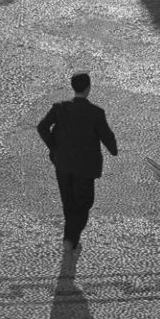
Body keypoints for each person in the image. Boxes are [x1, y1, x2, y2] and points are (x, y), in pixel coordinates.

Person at [36, 72, 119, 255]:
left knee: (68, 202)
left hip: (63, 165)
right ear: (89, 88)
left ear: (73, 87)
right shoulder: (96, 113)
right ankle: (70, 239)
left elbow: (42, 127)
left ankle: (71, 239)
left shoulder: (60, 108)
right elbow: (107, 136)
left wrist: (54, 147)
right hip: (85, 168)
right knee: (84, 203)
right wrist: (113, 149)